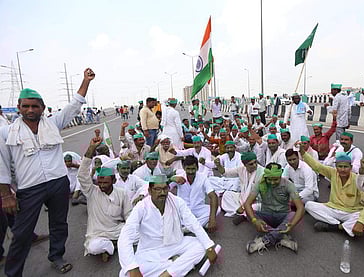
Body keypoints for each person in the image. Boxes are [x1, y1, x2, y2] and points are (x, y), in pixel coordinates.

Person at [0, 68, 95, 276]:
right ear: (19, 107)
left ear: (42, 108)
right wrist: (5, 195)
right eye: (26, 106)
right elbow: (2, 165)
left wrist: (85, 81)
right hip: (29, 188)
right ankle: (13, 272)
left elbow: (74, 105)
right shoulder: (7, 132)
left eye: (35, 106)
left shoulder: (52, 124)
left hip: (58, 183)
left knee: (59, 224)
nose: (31, 110)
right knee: (22, 233)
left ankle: (57, 256)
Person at [118, 174, 217, 277]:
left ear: (169, 189)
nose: (162, 192)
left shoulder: (177, 201)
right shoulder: (141, 207)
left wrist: (209, 247)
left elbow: (193, 223)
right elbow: (126, 236)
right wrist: (133, 267)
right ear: (150, 191)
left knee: (200, 245)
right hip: (150, 251)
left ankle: (167, 273)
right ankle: (174, 264)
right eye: (157, 189)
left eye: (165, 188)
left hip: (175, 243)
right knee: (125, 273)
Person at [300, 145, 364, 237]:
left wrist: (361, 221)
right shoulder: (333, 173)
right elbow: (317, 167)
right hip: (333, 209)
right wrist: (303, 153)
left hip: (351, 213)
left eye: (345, 167)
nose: (342, 169)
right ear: (336, 166)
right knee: (309, 205)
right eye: (340, 166)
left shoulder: (357, 180)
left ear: (351, 167)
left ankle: (333, 226)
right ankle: (341, 226)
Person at [78, 137, 132, 262]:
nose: (101, 185)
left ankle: (115, 243)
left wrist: (130, 228)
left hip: (117, 230)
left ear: (113, 181)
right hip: (98, 234)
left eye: (105, 182)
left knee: (139, 233)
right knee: (94, 248)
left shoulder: (121, 193)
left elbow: (128, 214)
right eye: (99, 182)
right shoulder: (92, 192)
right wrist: (91, 148)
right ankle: (112, 245)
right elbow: (82, 175)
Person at [244, 163, 305, 254]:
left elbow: (300, 208)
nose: (272, 183)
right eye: (269, 179)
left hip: (283, 216)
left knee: (293, 214)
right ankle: (281, 237)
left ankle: (264, 241)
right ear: (266, 177)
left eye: (275, 179)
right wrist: (255, 221)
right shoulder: (260, 183)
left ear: (280, 176)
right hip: (267, 216)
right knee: (249, 214)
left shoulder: (288, 185)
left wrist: (291, 225)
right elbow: (247, 204)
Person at [172, 156, 219, 232]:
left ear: (197, 168)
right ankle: (200, 224)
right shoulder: (178, 177)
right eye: (188, 169)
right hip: (182, 208)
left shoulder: (203, 178)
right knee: (170, 211)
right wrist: (171, 178)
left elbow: (213, 196)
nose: (191, 172)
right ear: (184, 168)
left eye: (193, 169)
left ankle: (187, 228)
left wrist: (212, 219)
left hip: (198, 208)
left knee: (217, 209)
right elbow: (164, 187)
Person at [216, 152, 264, 222]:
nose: (254, 165)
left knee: (258, 207)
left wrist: (244, 206)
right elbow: (226, 173)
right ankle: (242, 213)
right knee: (227, 194)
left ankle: (243, 213)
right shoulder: (241, 169)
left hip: (256, 201)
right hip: (242, 197)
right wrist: (218, 165)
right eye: (251, 164)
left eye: (255, 162)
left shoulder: (262, 172)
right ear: (244, 165)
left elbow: (258, 195)